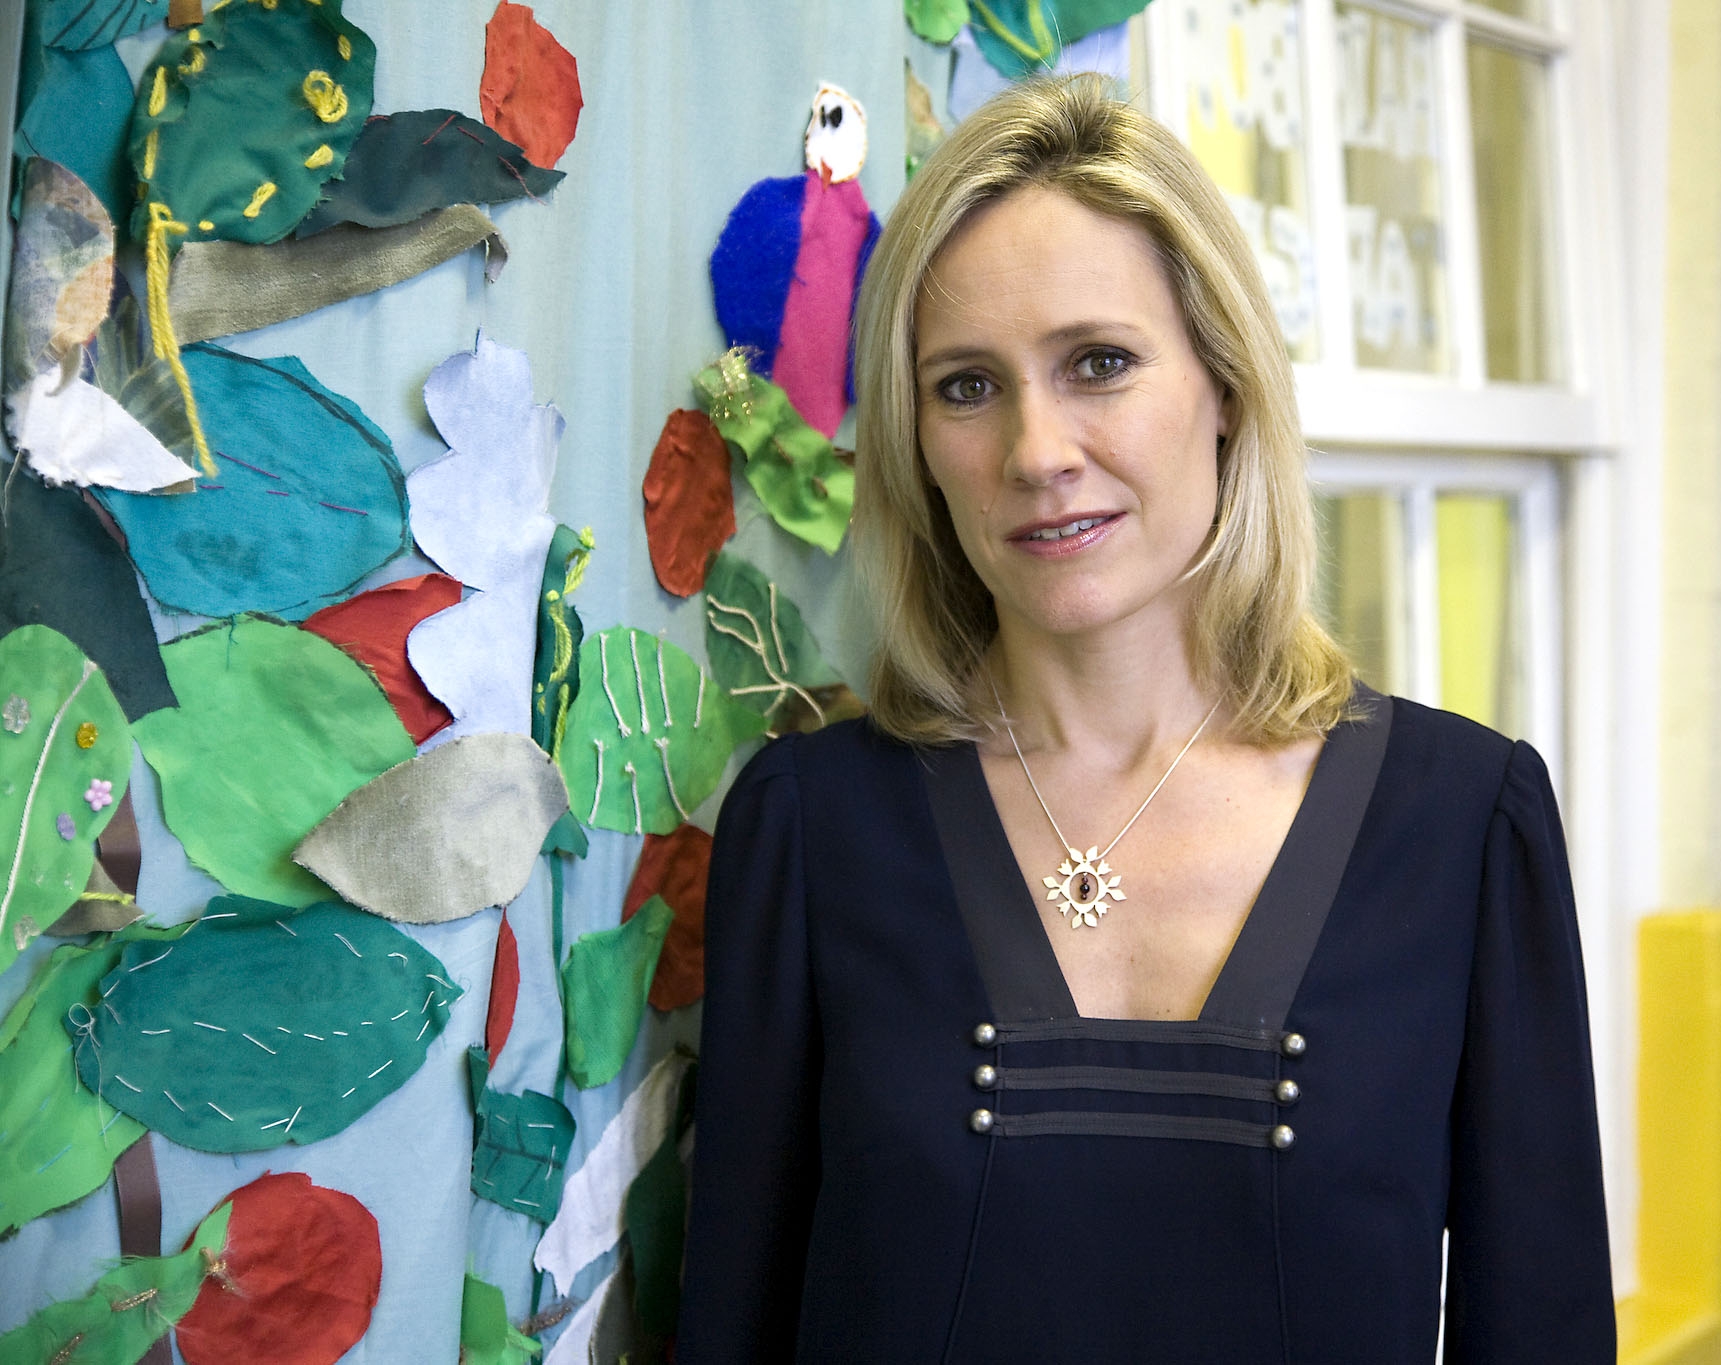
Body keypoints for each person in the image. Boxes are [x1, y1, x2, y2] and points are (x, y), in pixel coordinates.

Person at [675, 74, 1614, 1364]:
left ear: (1226, 386)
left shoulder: (1462, 824)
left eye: (1100, 364)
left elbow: (1544, 1328)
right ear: (915, 441)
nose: (1036, 451)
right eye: (966, 386)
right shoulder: (810, 828)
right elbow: (731, 1324)